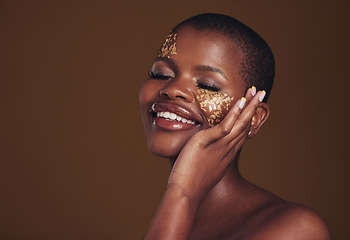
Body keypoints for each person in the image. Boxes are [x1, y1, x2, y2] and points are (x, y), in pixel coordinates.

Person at [139, 13, 330, 240]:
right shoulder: (171, 215)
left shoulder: (296, 228)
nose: (173, 89)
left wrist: (183, 192)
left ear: (254, 118)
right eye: (161, 74)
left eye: (207, 85)